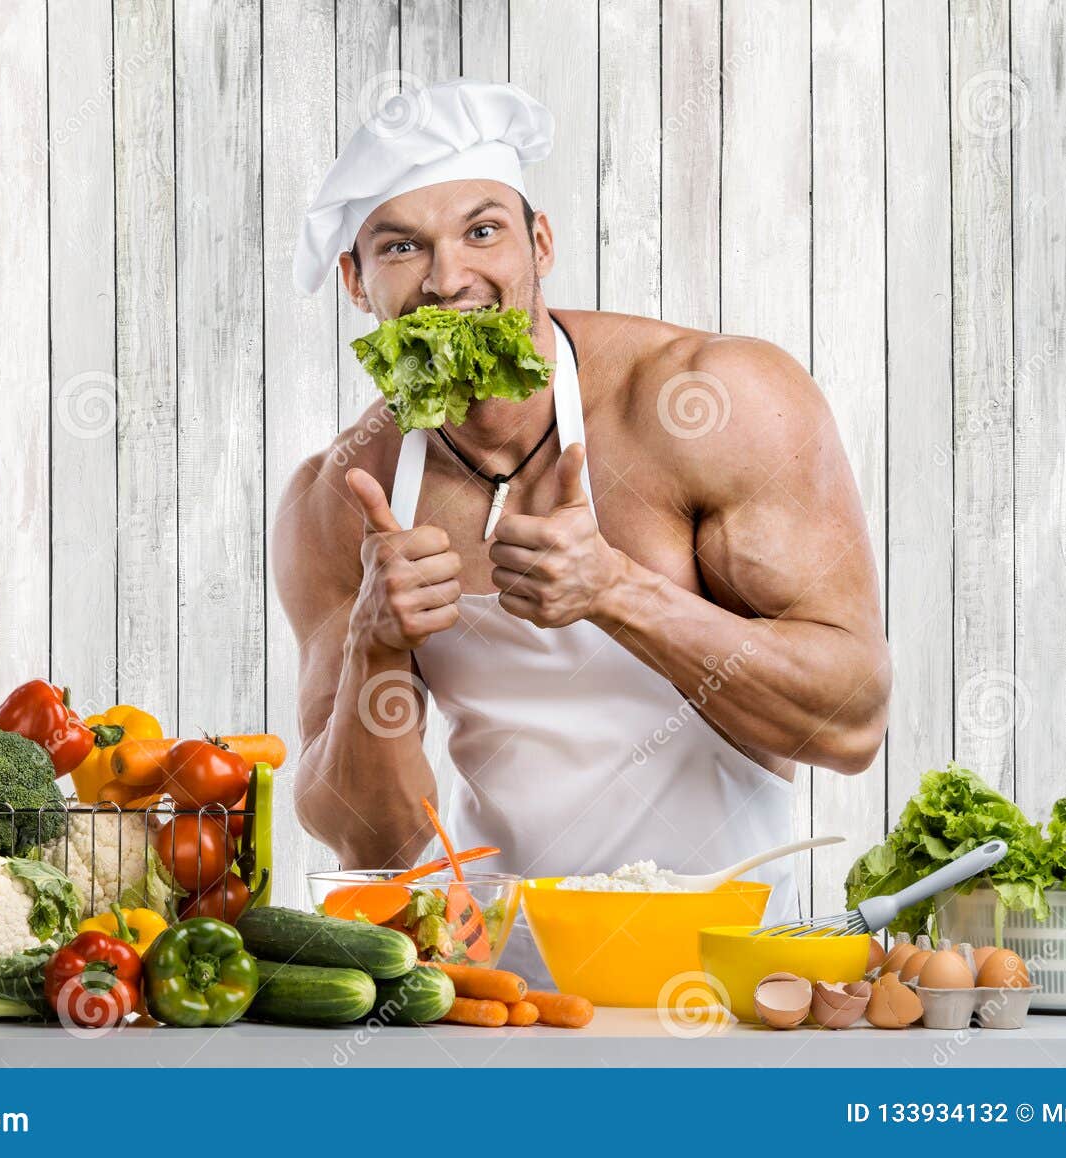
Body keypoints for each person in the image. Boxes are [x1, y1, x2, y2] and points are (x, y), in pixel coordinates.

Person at [276, 80, 889, 983]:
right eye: (402, 246)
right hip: (497, 980)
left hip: (729, 968)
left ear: (541, 244)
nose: (449, 280)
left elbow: (851, 723)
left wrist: (617, 591)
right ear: (358, 283)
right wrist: (374, 642)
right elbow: (370, 836)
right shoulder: (339, 495)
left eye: (483, 232)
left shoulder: (712, 401)